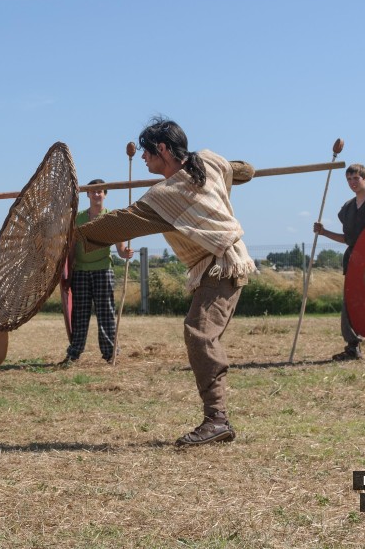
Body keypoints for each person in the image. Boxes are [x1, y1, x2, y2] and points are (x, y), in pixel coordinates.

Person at [74, 116, 256, 446]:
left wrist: (71, 236)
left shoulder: (166, 194)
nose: (143, 158)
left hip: (221, 265)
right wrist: (223, 165)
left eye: (147, 152)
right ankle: (217, 418)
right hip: (222, 263)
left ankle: (217, 419)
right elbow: (246, 169)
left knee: (199, 332)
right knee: (201, 332)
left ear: (162, 149)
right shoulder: (209, 162)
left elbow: (121, 223)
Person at [313, 163, 365, 361]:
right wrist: (324, 232)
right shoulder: (347, 208)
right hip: (354, 260)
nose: (352, 183)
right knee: (351, 305)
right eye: (349, 179)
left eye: (356, 178)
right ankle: (352, 347)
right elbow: (348, 239)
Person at [61, 179, 134, 365]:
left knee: (106, 313)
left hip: (103, 270)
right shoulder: (78, 219)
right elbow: (70, 248)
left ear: (105, 194)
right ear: (87, 195)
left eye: (100, 191)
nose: (96, 195)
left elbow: (120, 248)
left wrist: (126, 253)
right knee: (80, 314)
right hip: (81, 272)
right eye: (93, 192)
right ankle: (74, 353)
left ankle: (111, 353)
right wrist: (68, 274)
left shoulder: (111, 218)